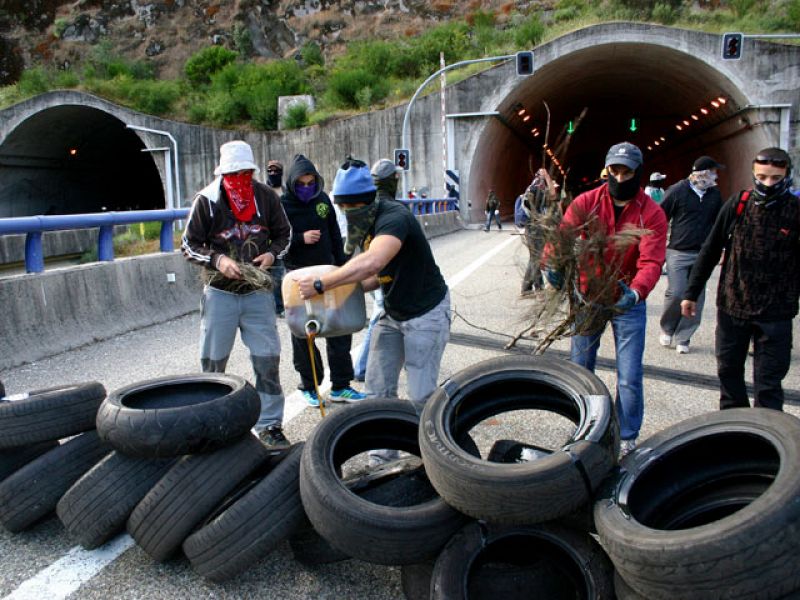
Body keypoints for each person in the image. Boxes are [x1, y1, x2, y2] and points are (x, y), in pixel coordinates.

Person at [294, 157, 450, 424]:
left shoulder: (393, 217)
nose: (346, 211)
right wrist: (332, 298)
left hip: (425, 313)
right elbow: (376, 277)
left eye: (350, 205)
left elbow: (373, 262)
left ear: (367, 200)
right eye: (341, 206)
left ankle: (429, 456)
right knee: (377, 391)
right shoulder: (364, 222)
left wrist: (322, 283)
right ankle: (381, 459)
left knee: (421, 396)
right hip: (392, 314)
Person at [547, 142, 667, 457]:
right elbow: (562, 237)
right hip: (588, 296)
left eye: (626, 171)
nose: (619, 176)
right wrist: (553, 265)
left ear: (638, 172)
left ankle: (627, 435)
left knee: (628, 375)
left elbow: (652, 262)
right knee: (580, 368)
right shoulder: (586, 203)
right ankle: (582, 425)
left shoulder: (651, 214)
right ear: (607, 169)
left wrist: (637, 292)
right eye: (614, 170)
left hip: (627, 299)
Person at [181, 140, 291, 449]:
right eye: (233, 173)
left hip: (257, 292)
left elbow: (284, 234)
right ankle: (211, 421)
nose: (239, 179)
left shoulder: (266, 198)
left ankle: (270, 424)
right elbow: (189, 245)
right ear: (223, 173)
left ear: (253, 172)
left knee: (267, 359)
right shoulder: (207, 200)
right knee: (213, 362)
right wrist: (219, 260)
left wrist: (271, 255)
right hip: (220, 293)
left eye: (245, 173)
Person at [681, 147, 799, 411]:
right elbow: (710, 249)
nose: (768, 184)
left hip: (776, 312)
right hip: (733, 305)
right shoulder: (738, 204)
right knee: (728, 371)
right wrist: (691, 292)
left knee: (768, 383)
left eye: (776, 179)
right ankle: (734, 427)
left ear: (787, 176)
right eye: (762, 177)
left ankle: (767, 436)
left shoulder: (795, 210)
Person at [280, 154, 366, 407]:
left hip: (329, 274)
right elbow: (275, 242)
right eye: (301, 184)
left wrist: (342, 268)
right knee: (305, 334)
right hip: (299, 278)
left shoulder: (322, 200)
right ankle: (309, 386)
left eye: (310, 183)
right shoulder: (283, 205)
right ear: (292, 184)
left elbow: (334, 235)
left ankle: (341, 385)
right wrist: (299, 238)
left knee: (339, 330)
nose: (306, 188)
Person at [658, 156, 724, 355]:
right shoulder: (678, 191)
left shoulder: (714, 196)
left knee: (696, 295)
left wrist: (721, 248)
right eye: (713, 172)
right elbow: (660, 218)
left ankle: (684, 336)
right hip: (678, 251)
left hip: (703, 253)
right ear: (702, 172)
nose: (716, 176)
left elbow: (719, 224)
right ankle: (668, 328)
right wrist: (657, 246)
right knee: (677, 292)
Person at [517, 168, 558, 294]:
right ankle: (532, 288)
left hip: (532, 228)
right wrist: (547, 176)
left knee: (535, 257)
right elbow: (552, 195)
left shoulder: (533, 187)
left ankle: (532, 287)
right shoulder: (538, 187)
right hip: (535, 228)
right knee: (536, 258)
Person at [266, 159, 287, 317]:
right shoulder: (263, 192)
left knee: (283, 275)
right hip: (269, 241)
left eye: (276, 171)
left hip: (286, 237)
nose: (273, 174)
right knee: (274, 275)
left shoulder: (286, 192)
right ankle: (276, 307)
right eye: (270, 171)